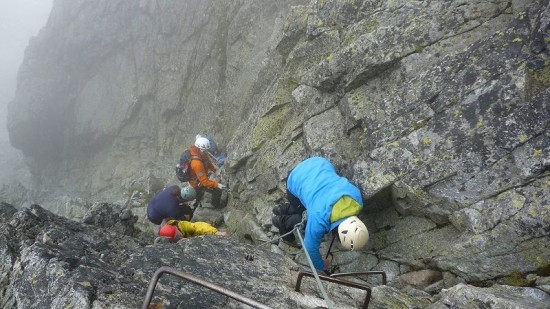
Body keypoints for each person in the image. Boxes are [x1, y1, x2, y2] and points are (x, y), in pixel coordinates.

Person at [272, 157, 369, 272]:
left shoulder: (357, 200)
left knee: (307, 205)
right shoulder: (318, 219)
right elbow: (310, 248)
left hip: (319, 164)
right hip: (295, 178)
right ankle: (280, 221)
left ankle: (281, 208)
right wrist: (322, 265)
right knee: (305, 218)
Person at [188, 135, 227, 208]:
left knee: (200, 193)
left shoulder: (202, 154)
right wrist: (217, 185)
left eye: (207, 150)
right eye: (204, 150)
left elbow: (207, 163)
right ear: (199, 149)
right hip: (196, 183)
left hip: (200, 177)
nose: (206, 151)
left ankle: (198, 201)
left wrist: (215, 170)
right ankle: (215, 205)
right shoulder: (197, 163)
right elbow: (204, 182)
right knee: (217, 190)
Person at [158, 219, 229, 242]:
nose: (181, 238)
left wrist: (216, 232)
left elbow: (199, 226)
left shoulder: (183, 226)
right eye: (178, 238)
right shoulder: (165, 240)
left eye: (179, 235)